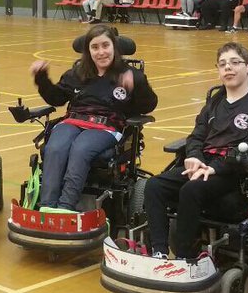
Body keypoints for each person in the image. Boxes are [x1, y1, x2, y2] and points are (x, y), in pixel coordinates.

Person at [143, 43, 248, 260]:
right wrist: (194, 156)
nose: (228, 68)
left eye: (235, 63)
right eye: (222, 64)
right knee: (155, 185)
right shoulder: (214, 104)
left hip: (234, 171)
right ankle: (158, 251)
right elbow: (196, 136)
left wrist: (214, 168)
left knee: (191, 190)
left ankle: (184, 258)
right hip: (204, 162)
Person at [28, 24, 158, 213]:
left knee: (81, 148)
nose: (101, 52)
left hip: (107, 127)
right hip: (74, 121)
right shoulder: (77, 73)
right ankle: (47, 207)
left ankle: (66, 208)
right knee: (55, 147)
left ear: (114, 47)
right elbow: (56, 99)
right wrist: (42, 79)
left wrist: (137, 88)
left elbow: (149, 105)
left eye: (105, 46)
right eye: (95, 47)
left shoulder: (130, 75)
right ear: (88, 51)